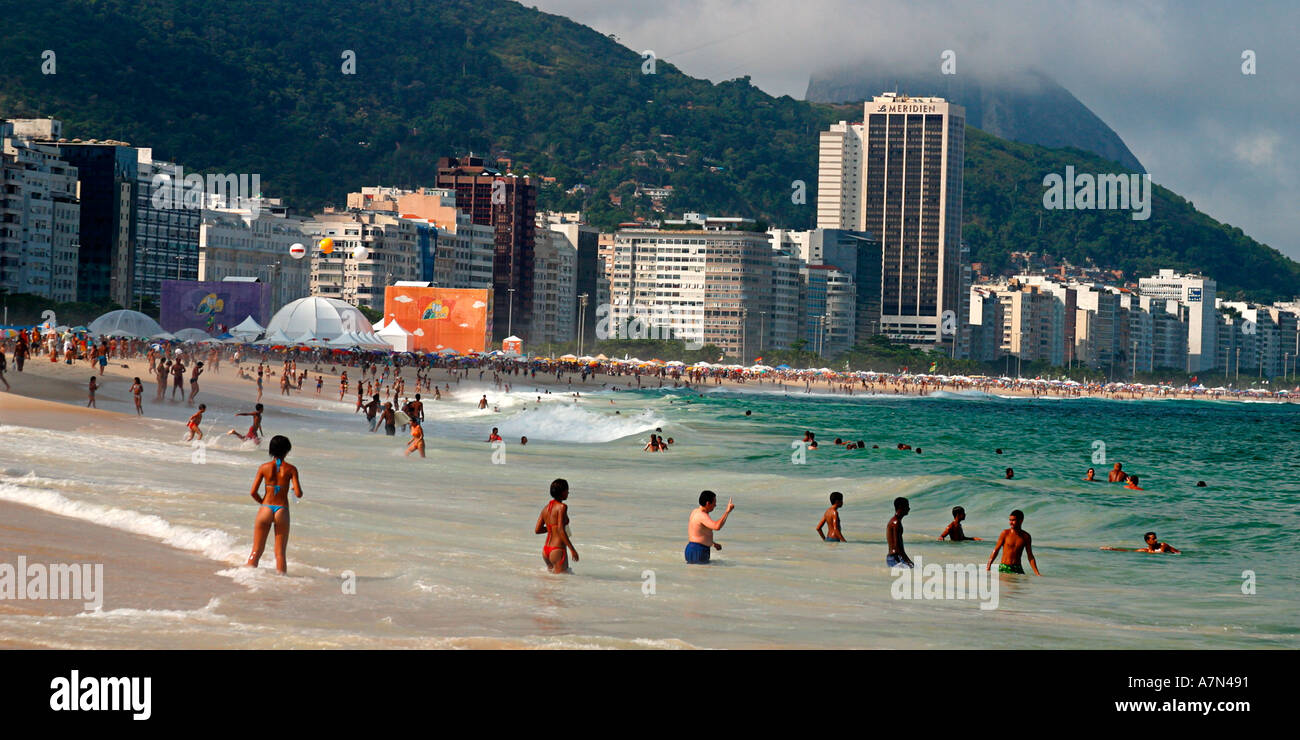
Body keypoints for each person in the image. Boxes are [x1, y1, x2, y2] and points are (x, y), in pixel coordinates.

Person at [244, 435, 303, 574]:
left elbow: (253, 492)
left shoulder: (263, 467)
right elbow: (299, 494)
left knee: (256, 551)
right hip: (282, 510)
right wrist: (293, 489)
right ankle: (281, 583)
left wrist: (263, 503)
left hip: (265, 508)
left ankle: (246, 576)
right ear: (287, 450)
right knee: (280, 553)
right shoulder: (291, 469)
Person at [534, 478, 578, 573]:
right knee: (560, 584)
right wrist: (572, 550)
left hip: (546, 550)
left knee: (550, 583)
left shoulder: (545, 509)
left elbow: (537, 530)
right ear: (562, 492)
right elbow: (561, 530)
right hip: (558, 549)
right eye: (567, 490)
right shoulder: (562, 507)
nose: (568, 492)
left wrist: (551, 528)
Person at [986, 509, 1041, 575]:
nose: (1010, 522)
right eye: (1010, 520)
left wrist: (1037, 573)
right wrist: (989, 565)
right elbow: (996, 550)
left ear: (1021, 521)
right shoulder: (1005, 533)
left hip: (1018, 568)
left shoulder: (1026, 536)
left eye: (1013, 520)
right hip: (1005, 567)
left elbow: (1030, 556)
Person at [686, 490, 734, 564]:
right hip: (699, 551)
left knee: (695, 574)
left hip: (691, 549)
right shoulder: (702, 515)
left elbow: (699, 532)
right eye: (714, 503)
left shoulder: (695, 511)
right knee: (701, 574)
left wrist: (712, 543)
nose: (715, 505)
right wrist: (727, 512)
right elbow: (717, 526)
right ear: (708, 503)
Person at [885, 497, 913, 569]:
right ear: (901, 507)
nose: (909, 508)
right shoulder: (896, 523)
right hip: (895, 558)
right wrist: (908, 561)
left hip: (892, 557)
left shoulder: (894, 521)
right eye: (907, 506)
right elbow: (898, 547)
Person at [1102, 532, 1180, 554]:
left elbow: (1177, 552)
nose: (1156, 540)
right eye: (1153, 539)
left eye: (1156, 538)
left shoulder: (1163, 546)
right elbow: (1128, 551)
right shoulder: (1145, 551)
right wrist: (1111, 549)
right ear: (1147, 541)